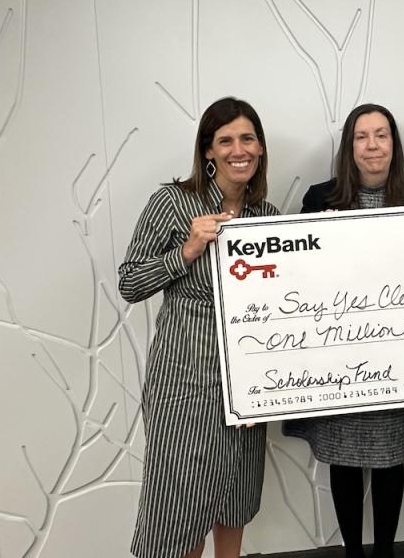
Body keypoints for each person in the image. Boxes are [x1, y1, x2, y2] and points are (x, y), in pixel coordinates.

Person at [119, 98, 277, 558]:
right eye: (225, 140)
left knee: (235, 496)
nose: (237, 149)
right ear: (208, 151)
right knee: (179, 503)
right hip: (183, 380)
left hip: (246, 383)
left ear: (261, 148)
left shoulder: (267, 218)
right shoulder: (172, 202)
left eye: (247, 138)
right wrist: (186, 250)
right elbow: (129, 282)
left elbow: (283, 304)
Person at [283, 103, 404, 558]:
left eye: (381, 135)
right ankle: (353, 551)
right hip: (337, 356)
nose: (372, 145)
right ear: (349, 148)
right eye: (362, 137)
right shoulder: (319, 199)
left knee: (390, 457)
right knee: (344, 457)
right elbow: (299, 275)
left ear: (394, 144)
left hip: (398, 355)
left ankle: (385, 551)